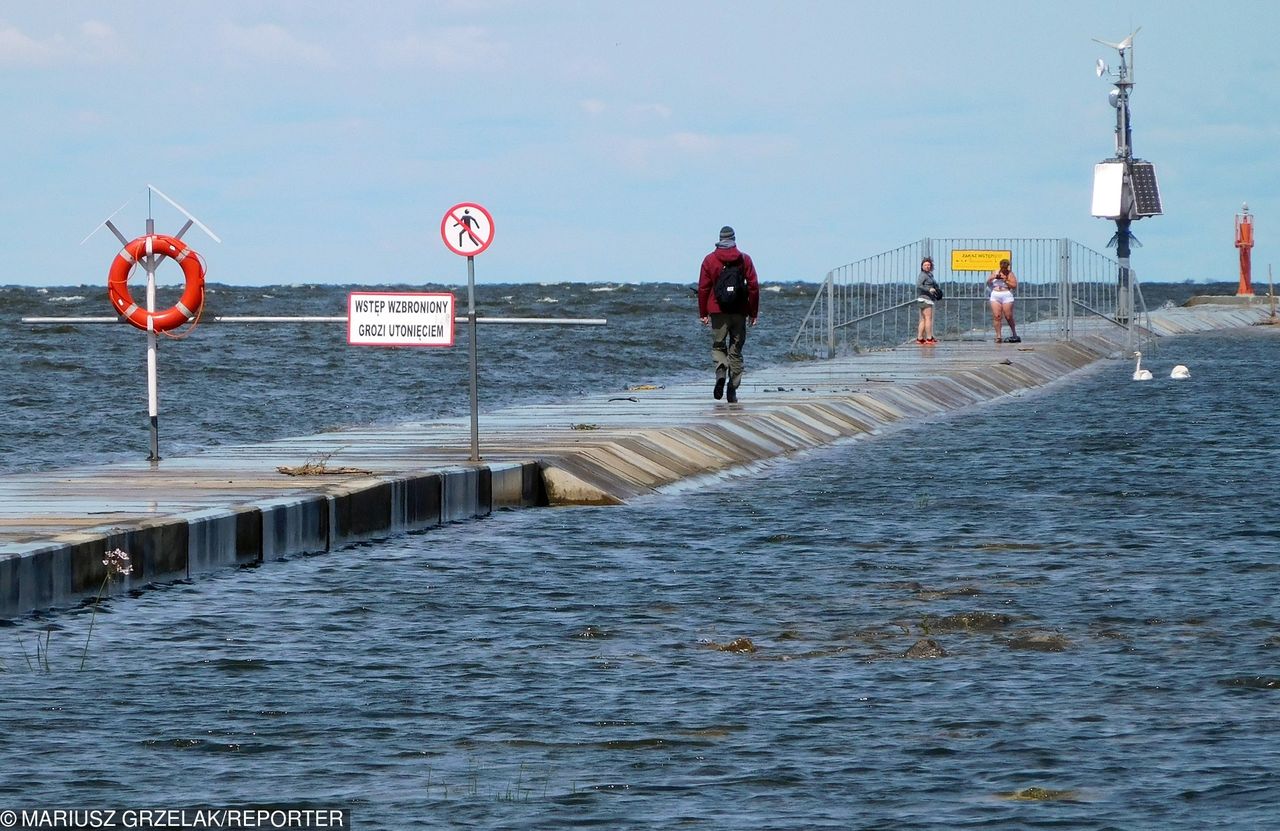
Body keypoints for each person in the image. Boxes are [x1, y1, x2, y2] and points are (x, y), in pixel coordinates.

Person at [698, 225, 760, 403]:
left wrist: (703, 312)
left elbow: (703, 288)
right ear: (734, 239)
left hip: (718, 311)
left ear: (719, 239)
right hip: (739, 311)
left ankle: (720, 373)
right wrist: (753, 312)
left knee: (718, 346)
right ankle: (732, 389)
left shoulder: (709, 260)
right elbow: (754, 287)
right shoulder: (744, 259)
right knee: (736, 350)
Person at [986, 258, 1021, 343]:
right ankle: (998, 336)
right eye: (1003, 267)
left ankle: (1014, 333)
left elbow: (1014, 285)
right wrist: (993, 277)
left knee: (1008, 316)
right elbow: (988, 282)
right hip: (995, 294)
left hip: (1006, 295)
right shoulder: (995, 272)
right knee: (997, 316)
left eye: (1006, 267)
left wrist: (1006, 281)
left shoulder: (1010, 274)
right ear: (1000, 266)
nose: (1004, 269)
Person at [915, 256, 940, 344]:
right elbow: (919, 285)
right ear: (922, 266)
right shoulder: (923, 275)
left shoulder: (929, 274)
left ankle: (920, 338)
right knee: (928, 318)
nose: (927, 266)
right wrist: (929, 289)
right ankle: (929, 338)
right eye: (925, 265)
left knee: (923, 319)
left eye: (928, 265)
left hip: (927, 299)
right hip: (925, 299)